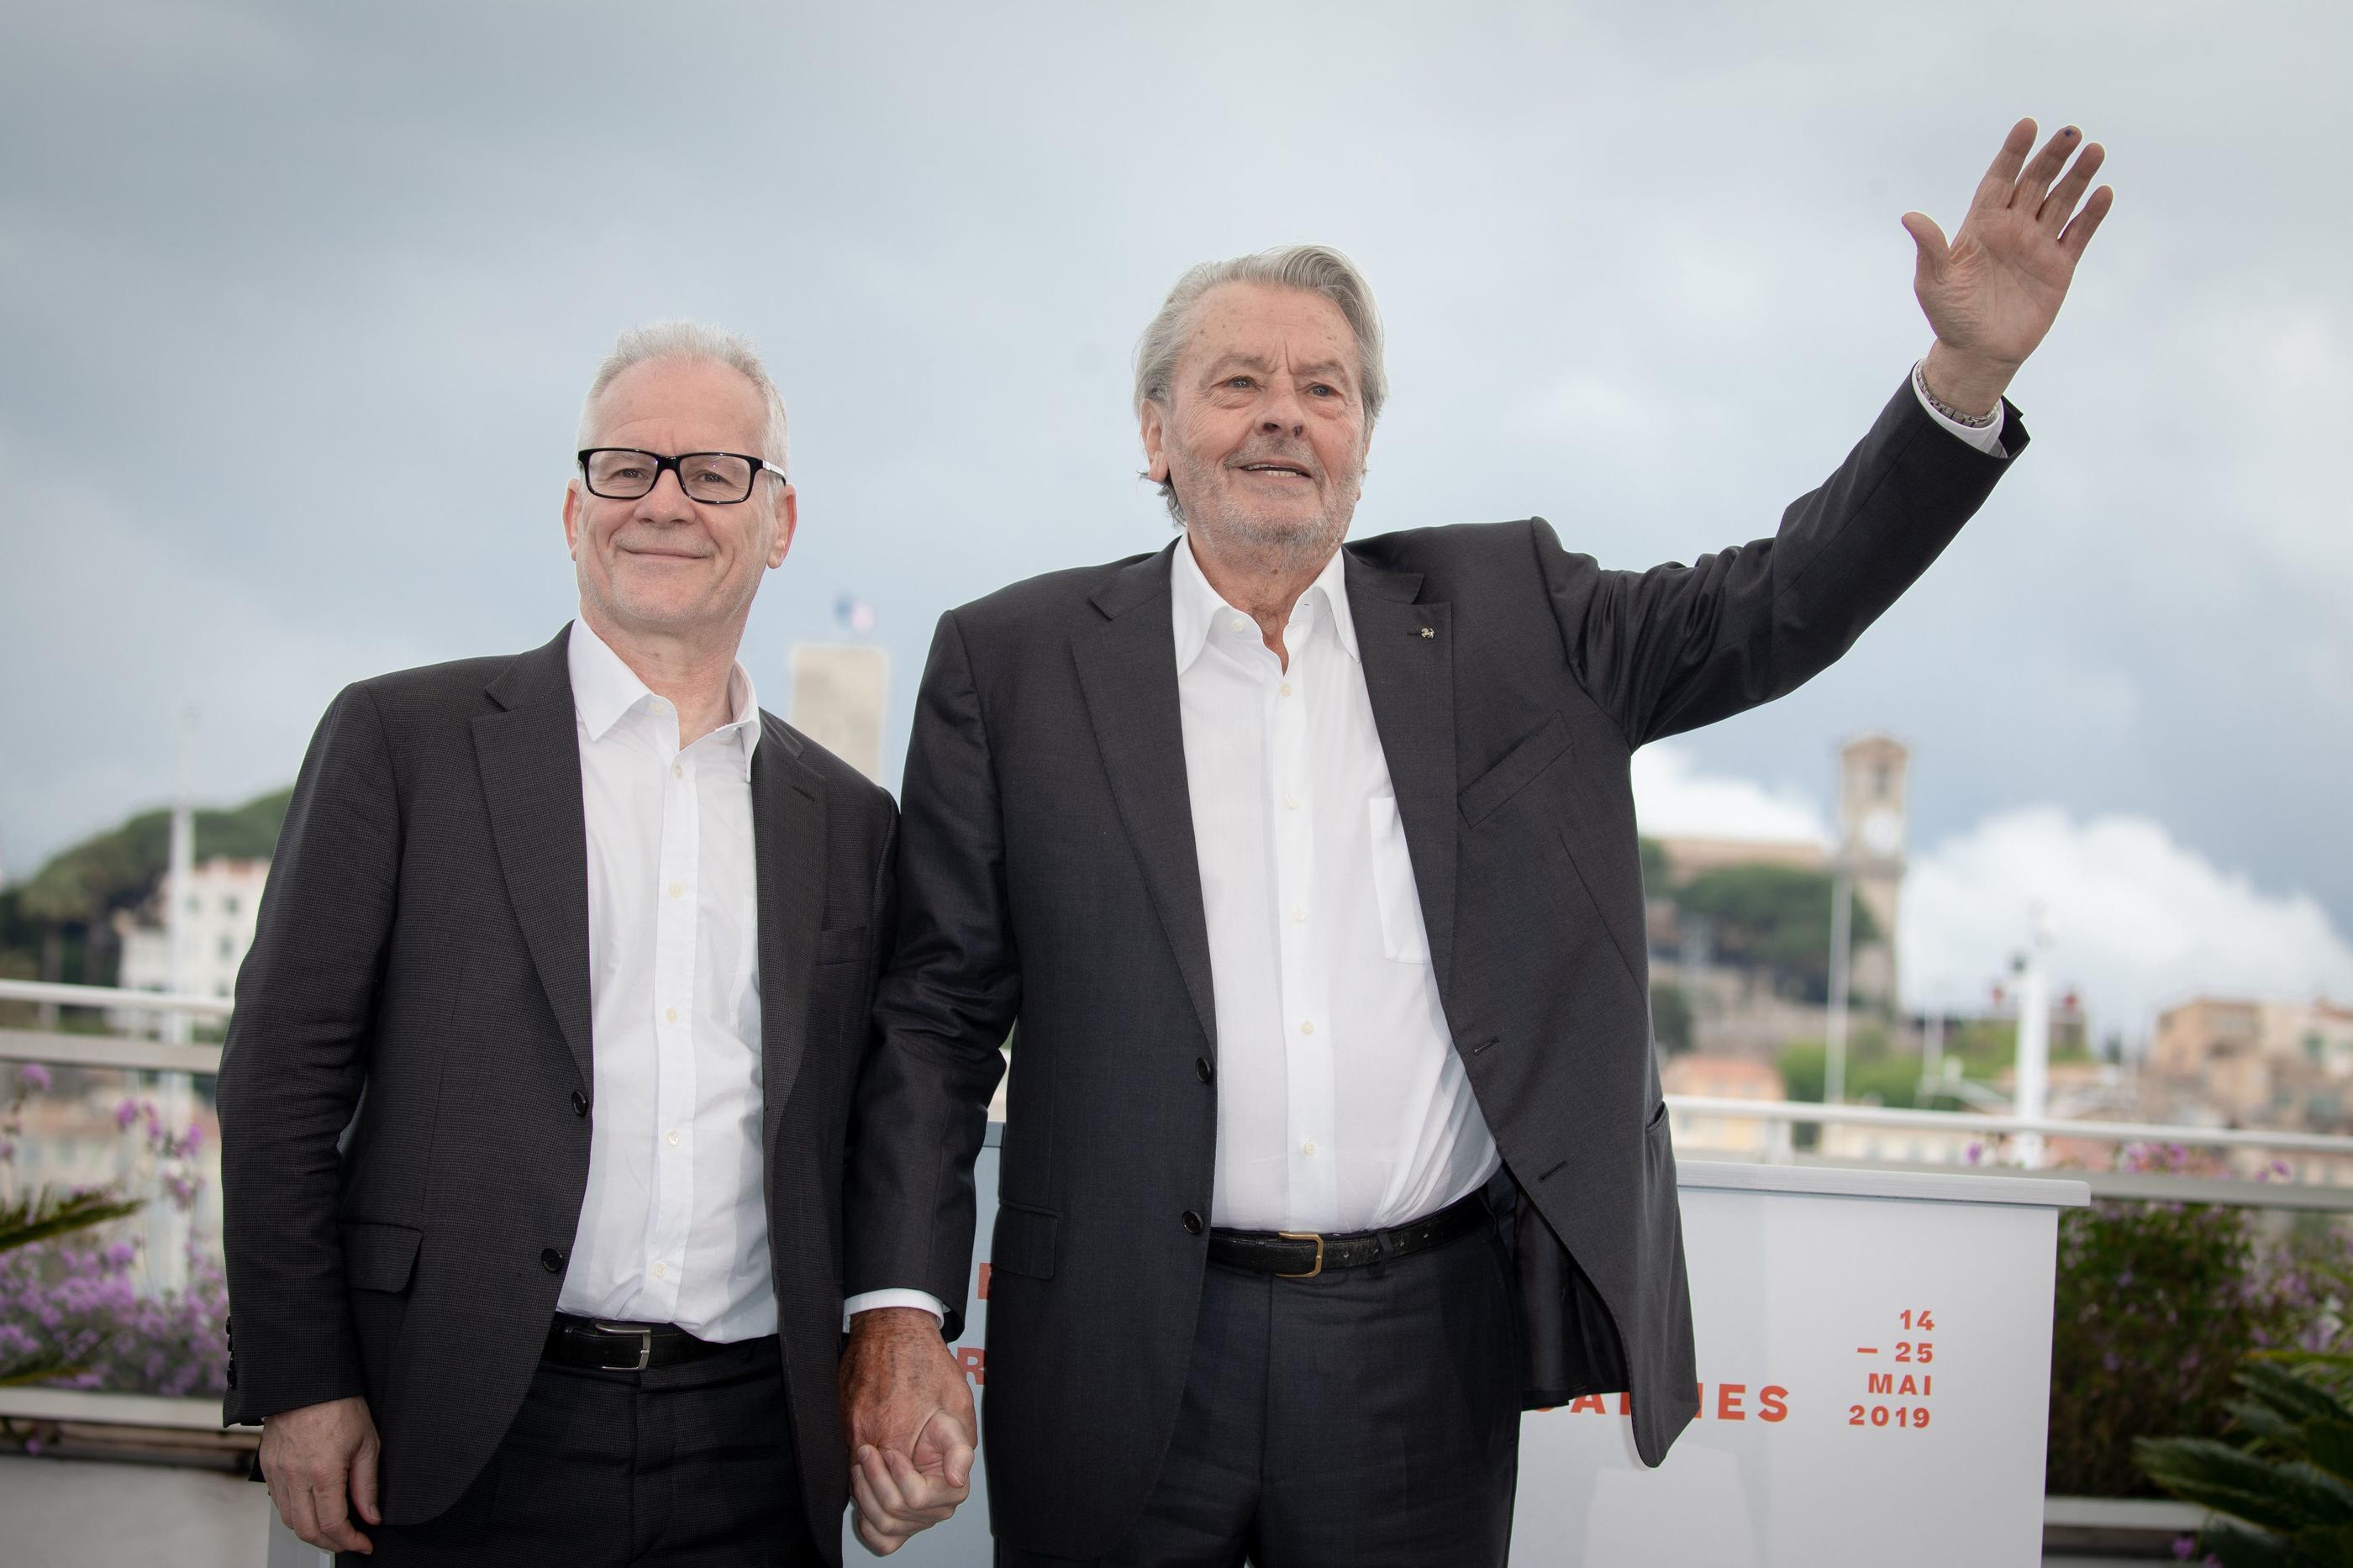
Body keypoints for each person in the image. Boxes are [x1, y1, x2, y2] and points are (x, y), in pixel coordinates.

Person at [839, 118, 2111, 1564]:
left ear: (1366, 440)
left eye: (1325, 387)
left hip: (1414, 1356)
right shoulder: (1012, 664)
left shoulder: (1514, 613)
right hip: (1118, 1339)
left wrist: (1962, 381)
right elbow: (935, 1018)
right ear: (1153, 429)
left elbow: (1780, 604)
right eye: (1238, 381)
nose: (1284, 414)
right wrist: (899, 1311)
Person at [218, 321, 907, 1565]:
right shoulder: (402, 741)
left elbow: (871, 1125)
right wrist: (301, 1378)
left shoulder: (851, 821)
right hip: (460, 1422)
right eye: (625, 466)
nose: (663, 502)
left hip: (758, 1441)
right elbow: (278, 1082)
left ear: (781, 523)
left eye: (713, 472)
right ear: (573, 507)